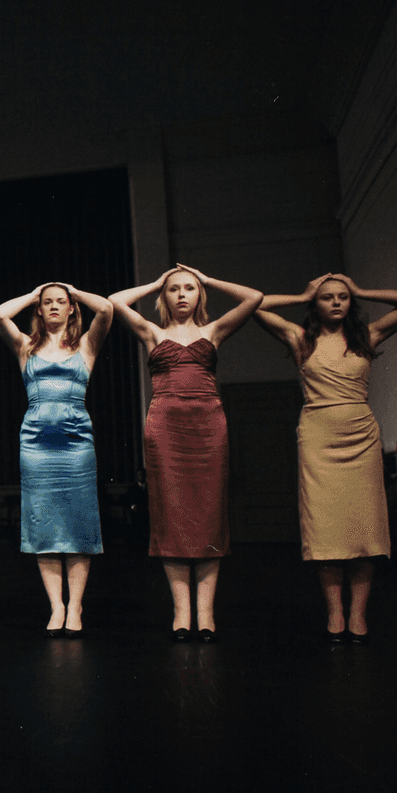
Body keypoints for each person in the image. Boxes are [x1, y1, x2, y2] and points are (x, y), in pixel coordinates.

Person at [255, 273, 397, 643]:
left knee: (364, 526)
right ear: (315, 303)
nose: (336, 302)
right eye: (327, 297)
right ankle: (335, 613)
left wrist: (362, 289)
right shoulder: (301, 338)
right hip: (318, 436)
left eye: (343, 297)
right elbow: (254, 303)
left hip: (360, 435)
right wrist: (301, 293)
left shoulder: (367, 336)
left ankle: (358, 615)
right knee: (326, 528)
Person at [109, 265, 262, 642]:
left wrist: (209, 279)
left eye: (189, 288)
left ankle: (206, 613)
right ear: (164, 296)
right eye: (174, 289)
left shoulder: (214, 331)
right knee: (171, 515)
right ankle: (181, 612)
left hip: (208, 427)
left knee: (209, 515)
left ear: (199, 295)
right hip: (165, 429)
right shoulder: (152, 332)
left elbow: (254, 298)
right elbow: (115, 301)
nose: (181, 294)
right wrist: (155, 282)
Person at [0, 283, 113, 636]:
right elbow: (0, 314)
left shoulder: (86, 345)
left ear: (73, 308)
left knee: (77, 526)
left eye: (62, 302)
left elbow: (105, 309)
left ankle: (75, 606)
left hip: (76, 444)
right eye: (49, 303)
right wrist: (33, 294)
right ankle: (56, 607)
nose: (55, 306)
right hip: (36, 444)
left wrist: (73, 290)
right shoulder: (25, 346)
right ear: (40, 310)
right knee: (44, 525)